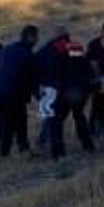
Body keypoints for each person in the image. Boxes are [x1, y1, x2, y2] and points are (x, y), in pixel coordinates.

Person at [37, 26, 96, 158]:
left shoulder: (49, 50)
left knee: (56, 122)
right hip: (79, 90)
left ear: (54, 37)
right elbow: (84, 66)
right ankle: (88, 146)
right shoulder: (75, 47)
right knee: (80, 118)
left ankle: (58, 153)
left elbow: (42, 68)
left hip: (61, 92)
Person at [0, 25, 40, 157]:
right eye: (36, 36)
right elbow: (32, 79)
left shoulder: (8, 48)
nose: (37, 39)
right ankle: (19, 150)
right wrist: (40, 96)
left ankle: (8, 152)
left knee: (7, 123)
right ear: (31, 37)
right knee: (18, 122)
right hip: (12, 94)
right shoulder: (27, 54)